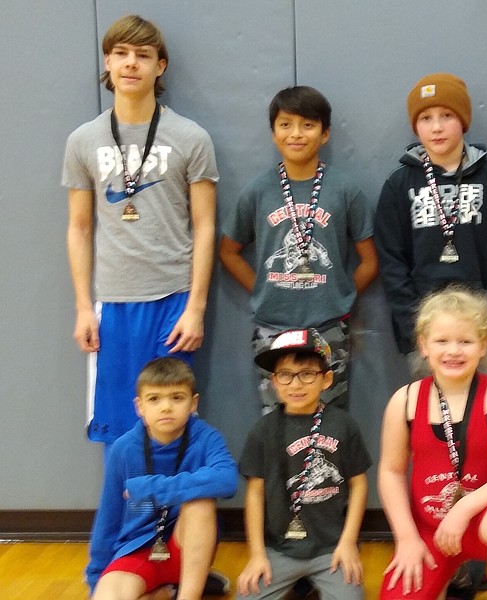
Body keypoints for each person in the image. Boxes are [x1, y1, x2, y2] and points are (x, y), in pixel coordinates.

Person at [63, 15, 218, 453]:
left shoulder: (191, 137)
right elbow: (78, 228)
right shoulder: (83, 140)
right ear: (108, 62)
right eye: (122, 54)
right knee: (118, 425)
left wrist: (196, 306)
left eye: (143, 55)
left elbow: (206, 225)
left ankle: (171, 520)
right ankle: (129, 517)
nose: (132, 64)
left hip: (173, 299)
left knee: (172, 419)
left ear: (160, 66)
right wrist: (82, 308)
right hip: (112, 303)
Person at [219, 86, 378, 411]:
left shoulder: (345, 190)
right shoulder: (258, 191)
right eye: (286, 124)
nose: (296, 134)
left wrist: (340, 295)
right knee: (276, 421)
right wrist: (261, 289)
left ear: (325, 133)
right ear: (274, 132)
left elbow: (370, 261)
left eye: (308, 125)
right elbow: (228, 251)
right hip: (272, 326)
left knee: (329, 422)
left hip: (329, 326)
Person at [378, 286, 487, 600]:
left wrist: (464, 508)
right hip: (428, 532)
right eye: (442, 341)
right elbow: (391, 472)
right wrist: (407, 538)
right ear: (423, 345)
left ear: (484, 345)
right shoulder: (405, 401)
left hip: (483, 523)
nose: (453, 351)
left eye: (465, 341)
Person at [374, 73, 487, 383]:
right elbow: (391, 262)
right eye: (426, 118)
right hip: (425, 339)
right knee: (432, 424)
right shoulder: (398, 184)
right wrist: (416, 326)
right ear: (416, 126)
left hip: (486, 336)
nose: (437, 126)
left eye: (447, 115)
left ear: (464, 121)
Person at [86, 357, 238, 600]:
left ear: (193, 403)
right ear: (140, 407)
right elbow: (108, 518)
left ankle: (186, 594)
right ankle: (159, 593)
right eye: (154, 399)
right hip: (137, 552)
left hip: (185, 552)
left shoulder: (207, 438)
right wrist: (97, 582)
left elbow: (227, 480)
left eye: (177, 397)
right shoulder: (123, 449)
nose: (166, 407)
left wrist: (150, 488)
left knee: (200, 503)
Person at [236, 328, 372, 600]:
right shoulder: (262, 431)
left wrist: (347, 544)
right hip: (279, 549)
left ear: (326, 379)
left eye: (307, 374)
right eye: (285, 375)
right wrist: (257, 555)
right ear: (274, 381)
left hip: (330, 549)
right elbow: (254, 494)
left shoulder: (344, 425)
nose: (296, 385)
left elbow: (358, 485)